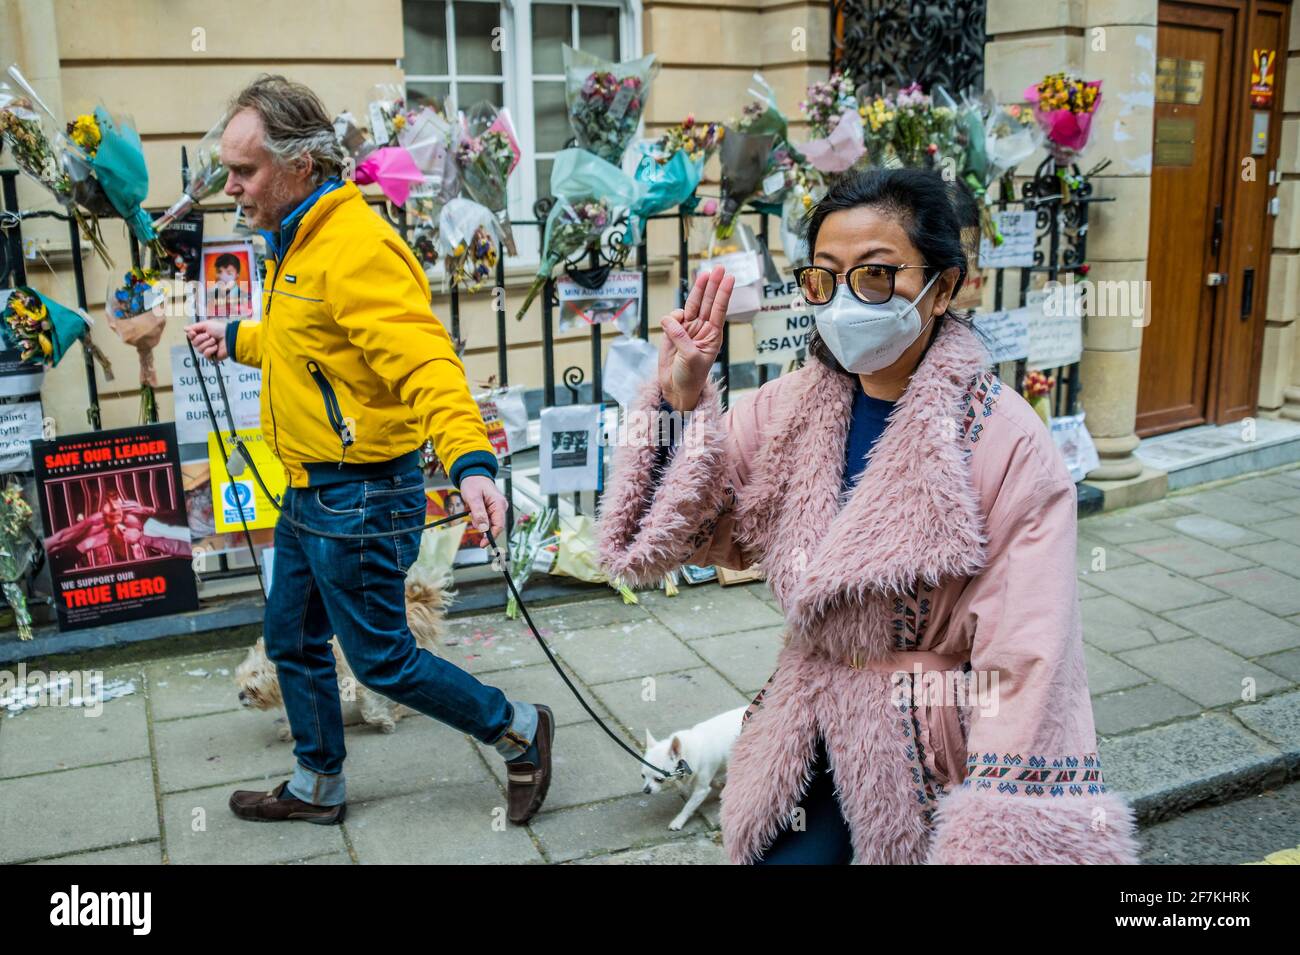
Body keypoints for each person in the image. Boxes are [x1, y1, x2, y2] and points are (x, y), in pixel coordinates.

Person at [596, 167, 1140, 865]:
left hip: (930, 749)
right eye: (826, 276)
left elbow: (1029, 659)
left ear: (942, 287)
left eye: (877, 275)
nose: (849, 299)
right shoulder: (791, 408)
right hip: (805, 719)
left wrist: (1001, 828)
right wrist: (677, 401)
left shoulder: (1003, 441)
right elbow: (679, 533)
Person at [186, 75, 553, 827]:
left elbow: (426, 362)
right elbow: (310, 343)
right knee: (291, 637)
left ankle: (518, 726)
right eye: (229, 169)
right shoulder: (297, 240)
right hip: (308, 487)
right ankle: (318, 782)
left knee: (383, 657)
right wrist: (235, 340)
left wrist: (471, 459)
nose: (230, 187)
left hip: (358, 495)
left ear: (302, 164)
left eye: (244, 170)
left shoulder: (356, 247)